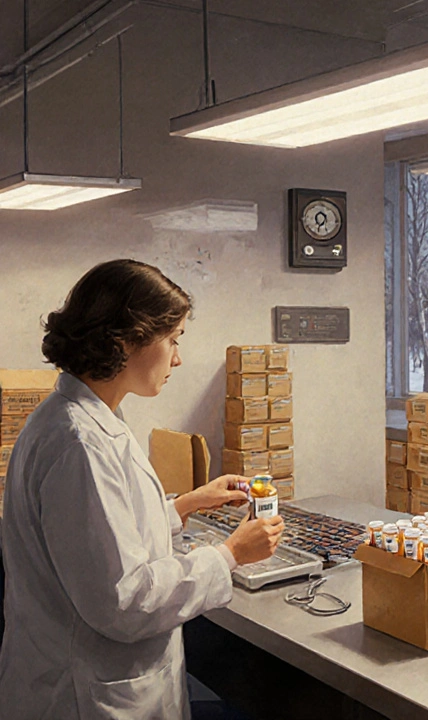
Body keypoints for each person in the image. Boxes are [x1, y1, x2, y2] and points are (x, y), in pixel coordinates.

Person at [0, 259, 285, 719]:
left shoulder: (84, 416)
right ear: (127, 339)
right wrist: (230, 554)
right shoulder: (80, 444)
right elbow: (125, 600)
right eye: (172, 340)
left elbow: (99, 536)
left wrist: (186, 505)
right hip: (83, 695)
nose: (177, 358)